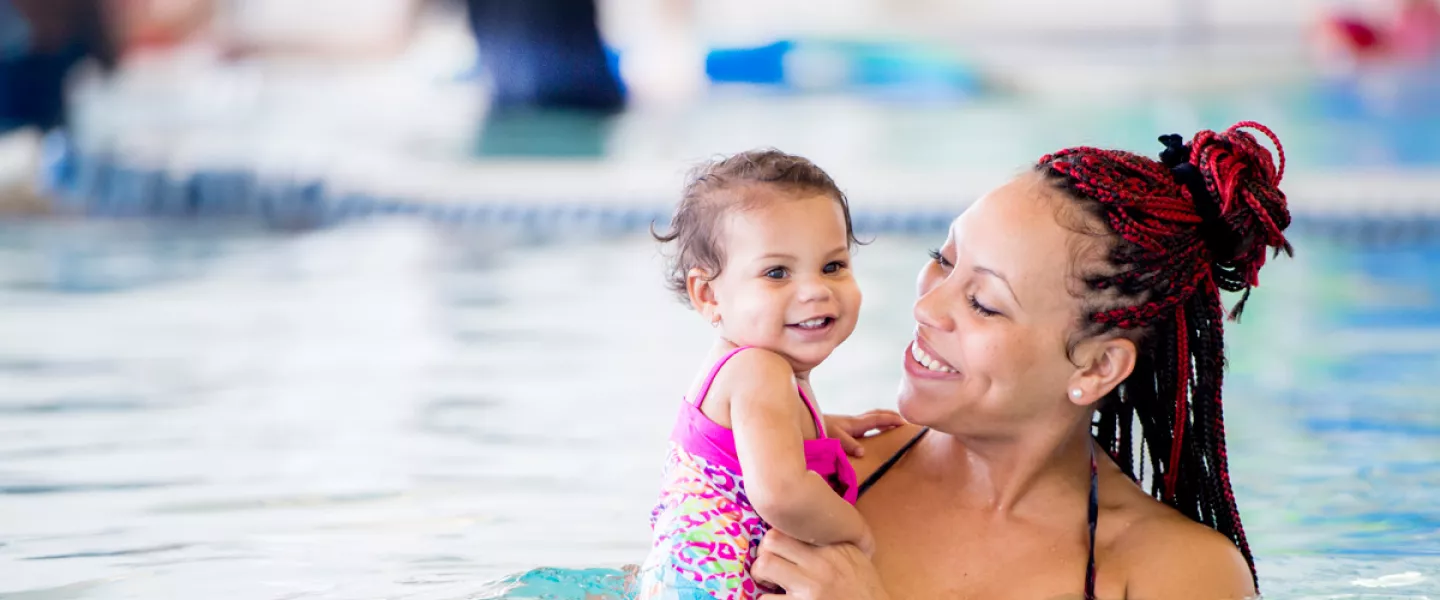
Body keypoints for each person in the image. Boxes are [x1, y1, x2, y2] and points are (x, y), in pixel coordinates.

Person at [751, 122, 1293, 599]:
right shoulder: (804, 476)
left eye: (984, 303)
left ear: (1097, 367)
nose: (926, 306)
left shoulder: (1172, 573)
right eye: (944, 259)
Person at [636, 149, 906, 600]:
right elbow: (781, 494)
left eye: (833, 266)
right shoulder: (760, 369)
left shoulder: (752, 370)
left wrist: (822, 430)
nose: (816, 289)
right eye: (777, 273)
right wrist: (857, 536)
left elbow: (744, 444)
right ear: (709, 295)